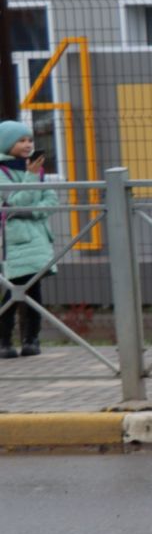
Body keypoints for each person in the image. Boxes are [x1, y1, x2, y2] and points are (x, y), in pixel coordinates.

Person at [0, 120, 57, 359]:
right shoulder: (3, 172)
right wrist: (31, 179)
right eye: (21, 140)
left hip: (38, 240)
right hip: (15, 242)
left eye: (30, 140)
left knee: (34, 291)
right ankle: (4, 341)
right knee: (12, 291)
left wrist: (32, 210)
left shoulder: (35, 169)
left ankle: (32, 339)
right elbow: (13, 202)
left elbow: (51, 200)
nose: (27, 145)